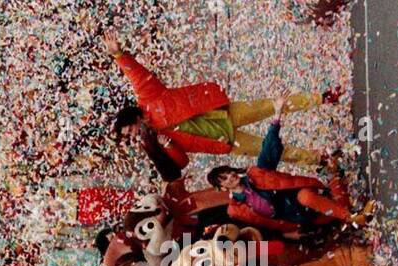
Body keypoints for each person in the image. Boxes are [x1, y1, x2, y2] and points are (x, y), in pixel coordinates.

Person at [104, 33, 335, 166]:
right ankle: (317, 159)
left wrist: (118, 54)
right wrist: (167, 146)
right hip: (223, 139)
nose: (134, 135)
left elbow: (137, 77)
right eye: (129, 137)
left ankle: (321, 98)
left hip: (220, 112)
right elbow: (181, 163)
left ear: (132, 118)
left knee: (270, 105)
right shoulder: (154, 144)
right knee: (272, 150)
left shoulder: (149, 98)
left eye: (130, 130)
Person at [208, 115, 374, 231]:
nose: (230, 176)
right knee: (336, 197)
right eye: (224, 178)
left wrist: (276, 118)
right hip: (298, 218)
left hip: (303, 196)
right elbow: (263, 224)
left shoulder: (255, 174)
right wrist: (291, 232)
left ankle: (352, 217)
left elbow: (267, 152)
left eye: (228, 172)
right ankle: (338, 191)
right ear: (222, 188)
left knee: (307, 196)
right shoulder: (237, 209)